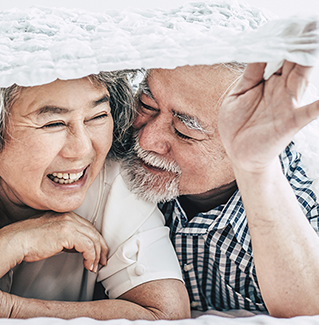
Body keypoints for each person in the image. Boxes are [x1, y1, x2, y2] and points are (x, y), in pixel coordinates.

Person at [0, 71, 190, 319]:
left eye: (97, 117)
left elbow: (166, 314)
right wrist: (12, 243)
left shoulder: (120, 174)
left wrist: (9, 309)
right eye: (53, 123)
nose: (83, 149)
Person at [121, 61, 319, 317]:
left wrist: (256, 171)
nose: (147, 139)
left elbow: (311, 313)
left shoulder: (304, 200)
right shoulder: (113, 143)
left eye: (184, 132)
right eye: (147, 105)